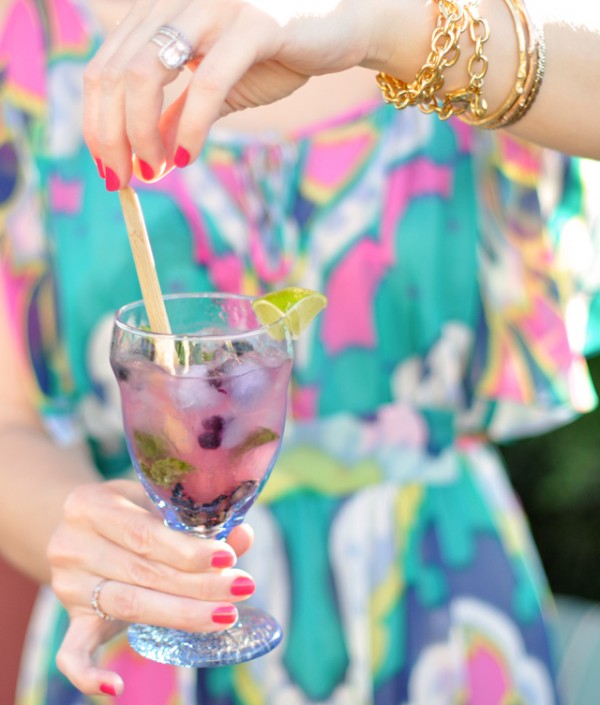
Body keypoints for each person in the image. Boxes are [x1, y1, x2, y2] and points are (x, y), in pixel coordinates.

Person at [0, 0, 599, 703]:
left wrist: (384, 26)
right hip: (155, 629)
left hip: (440, 605)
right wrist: (95, 542)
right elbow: (12, 429)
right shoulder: (25, 33)